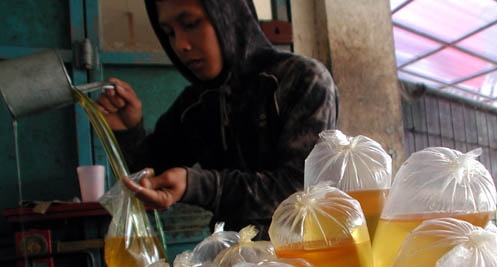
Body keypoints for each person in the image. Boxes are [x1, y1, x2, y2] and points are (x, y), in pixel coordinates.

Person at [96, 0, 339, 239]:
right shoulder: (196, 105)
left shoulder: (300, 80)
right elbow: (153, 176)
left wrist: (198, 185)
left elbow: (300, 192)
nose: (180, 45)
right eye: (169, 33)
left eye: (191, 24)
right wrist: (129, 130)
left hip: (304, 263)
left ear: (228, 15)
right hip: (232, 265)